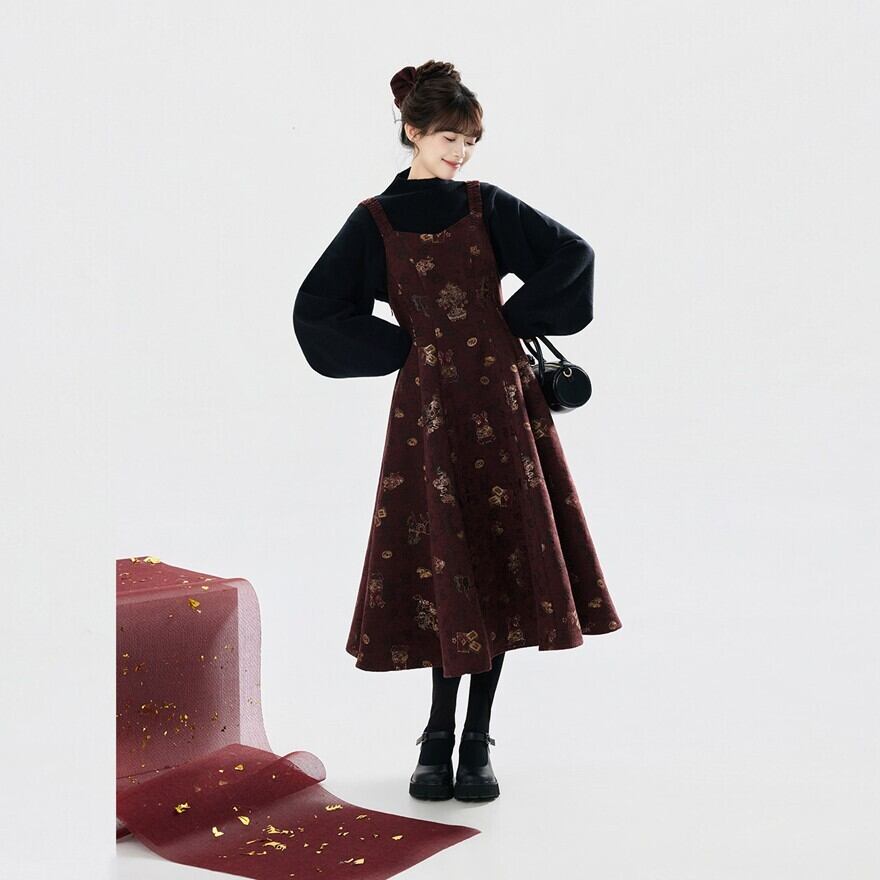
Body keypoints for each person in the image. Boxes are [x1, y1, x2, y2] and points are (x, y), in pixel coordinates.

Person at [293, 60, 622, 803]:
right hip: (430, 415)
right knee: (449, 561)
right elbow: (317, 308)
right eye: (450, 137)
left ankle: (475, 739)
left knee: (498, 558)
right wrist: (399, 348)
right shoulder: (373, 222)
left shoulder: (486, 204)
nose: (462, 152)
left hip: (503, 403)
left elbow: (574, 256)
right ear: (413, 131)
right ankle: (436, 735)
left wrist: (511, 321)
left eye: (470, 140)